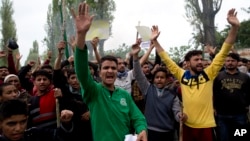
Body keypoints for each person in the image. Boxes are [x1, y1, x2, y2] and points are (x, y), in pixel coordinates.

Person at [152, 8, 240, 141]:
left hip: (206, 126)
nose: (200, 62)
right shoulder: (181, 75)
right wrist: (155, 41)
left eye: (201, 59)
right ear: (187, 63)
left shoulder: (209, 73)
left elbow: (224, 50)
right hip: (187, 125)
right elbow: (166, 59)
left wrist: (234, 27)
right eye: (196, 60)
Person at [73, 2, 147, 141]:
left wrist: (141, 129)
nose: (110, 71)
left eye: (113, 68)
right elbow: (82, 71)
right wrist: (81, 34)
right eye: (106, 68)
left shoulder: (124, 95)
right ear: (99, 72)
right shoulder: (93, 91)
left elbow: (137, 117)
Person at [132, 41, 187, 141]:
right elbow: (137, 73)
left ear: (167, 80)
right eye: (157, 77)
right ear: (153, 79)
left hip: (167, 133)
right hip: (149, 131)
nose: (159, 79)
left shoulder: (172, 95)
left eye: (162, 77)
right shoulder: (148, 89)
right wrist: (135, 56)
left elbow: (176, 112)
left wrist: (180, 116)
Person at [213, 52, 250, 141]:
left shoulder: (245, 77)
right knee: (223, 138)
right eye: (228, 61)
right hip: (222, 115)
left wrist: (246, 105)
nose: (230, 63)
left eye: (233, 61)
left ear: (237, 62)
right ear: (225, 62)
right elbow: (214, 93)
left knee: (240, 138)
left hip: (240, 114)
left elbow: (248, 93)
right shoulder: (218, 76)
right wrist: (214, 107)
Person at [0, 99, 74, 141]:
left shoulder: (34, 135)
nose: (18, 128)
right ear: (1, 123)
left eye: (23, 122)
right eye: (11, 124)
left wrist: (66, 123)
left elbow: (60, 136)